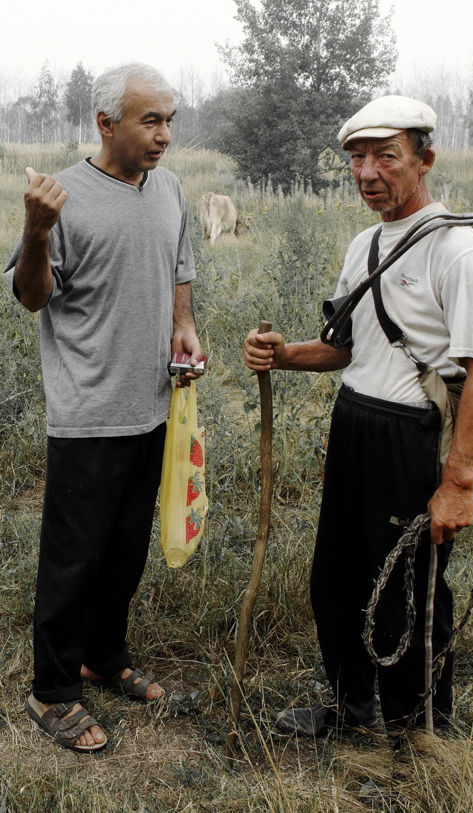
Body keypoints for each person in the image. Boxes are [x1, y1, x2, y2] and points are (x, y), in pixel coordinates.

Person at [243, 96, 473, 739]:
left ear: (424, 160)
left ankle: (418, 737)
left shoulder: (456, 250)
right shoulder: (365, 244)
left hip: (411, 437)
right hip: (354, 423)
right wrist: (284, 355)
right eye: (357, 159)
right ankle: (351, 713)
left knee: (405, 593)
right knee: (336, 582)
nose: (367, 173)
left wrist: (458, 482)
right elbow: (347, 348)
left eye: (386, 157)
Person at [3, 63, 202, 753]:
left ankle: (102, 654)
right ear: (106, 124)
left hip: (152, 405)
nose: (165, 134)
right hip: (88, 411)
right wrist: (37, 230)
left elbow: (179, 266)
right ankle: (53, 689)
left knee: (124, 549)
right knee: (74, 559)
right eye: (152, 120)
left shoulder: (168, 188)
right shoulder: (64, 197)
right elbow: (32, 297)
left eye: (169, 120)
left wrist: (184, 326)